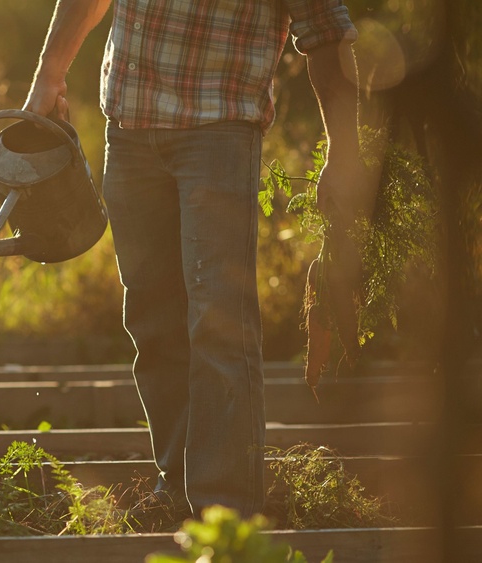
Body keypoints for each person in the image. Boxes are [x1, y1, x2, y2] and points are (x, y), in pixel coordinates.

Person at [24, 0, 360, 519]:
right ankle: (179, 487)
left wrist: (344, 150)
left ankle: (225, 511)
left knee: (219, 322)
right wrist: (49, 73)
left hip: (219, 130)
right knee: (152, 320)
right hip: (129, 127)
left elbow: (324, 29)